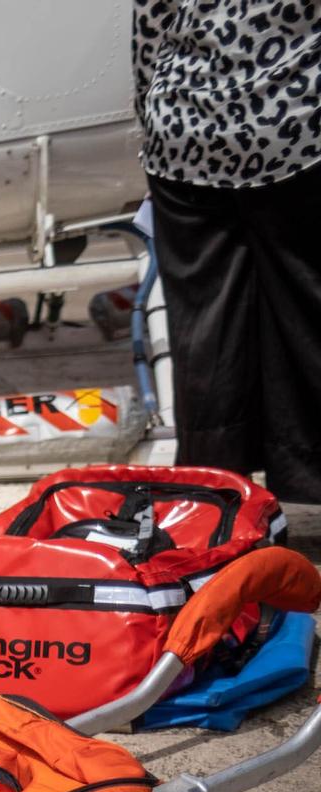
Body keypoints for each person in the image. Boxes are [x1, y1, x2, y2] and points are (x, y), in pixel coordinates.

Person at [134, 0, 321, 502]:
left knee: (205, 334)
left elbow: (150, 21)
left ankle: (212, 505)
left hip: (185, 126)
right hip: (298, 122)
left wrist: (150, 123)